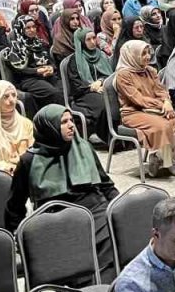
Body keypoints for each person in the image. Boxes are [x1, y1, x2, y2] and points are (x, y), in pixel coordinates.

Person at [7, 106, 118, 281]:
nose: (71, 125)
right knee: (78, 264)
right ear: (48, 127)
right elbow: (15, 205)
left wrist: (119, 208)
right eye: (63, 122)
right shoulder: (29, 160)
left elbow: (106, 185)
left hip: (95, 212)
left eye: (71, 120)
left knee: (116, 246)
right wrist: (18, 234)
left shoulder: (84, 147)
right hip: (58, 217)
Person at [116, 40, 175, 177]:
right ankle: (163, 159)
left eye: (148, 53)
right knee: (163, 126)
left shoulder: (150, 71)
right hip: (133, 112)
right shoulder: (123, 75)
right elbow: (138, 99)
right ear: (132, 55)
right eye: (143, 54)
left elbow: (161, 91)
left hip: (155, 110)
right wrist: (162, 105)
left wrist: (167, 102)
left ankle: (163, 158)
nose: (147, 57)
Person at [4, 14, 65, 111]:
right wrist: (37, 71)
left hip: (46, 75)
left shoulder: (40, 43)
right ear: (21, 29)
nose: (32, 30)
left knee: (64, 89)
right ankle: (56, 119)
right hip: (28, 79)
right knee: (54, 93)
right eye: (28, 28)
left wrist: (51, 68)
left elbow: (51, 61)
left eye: (33, 27)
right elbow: (19, 70)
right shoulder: (16, 48)